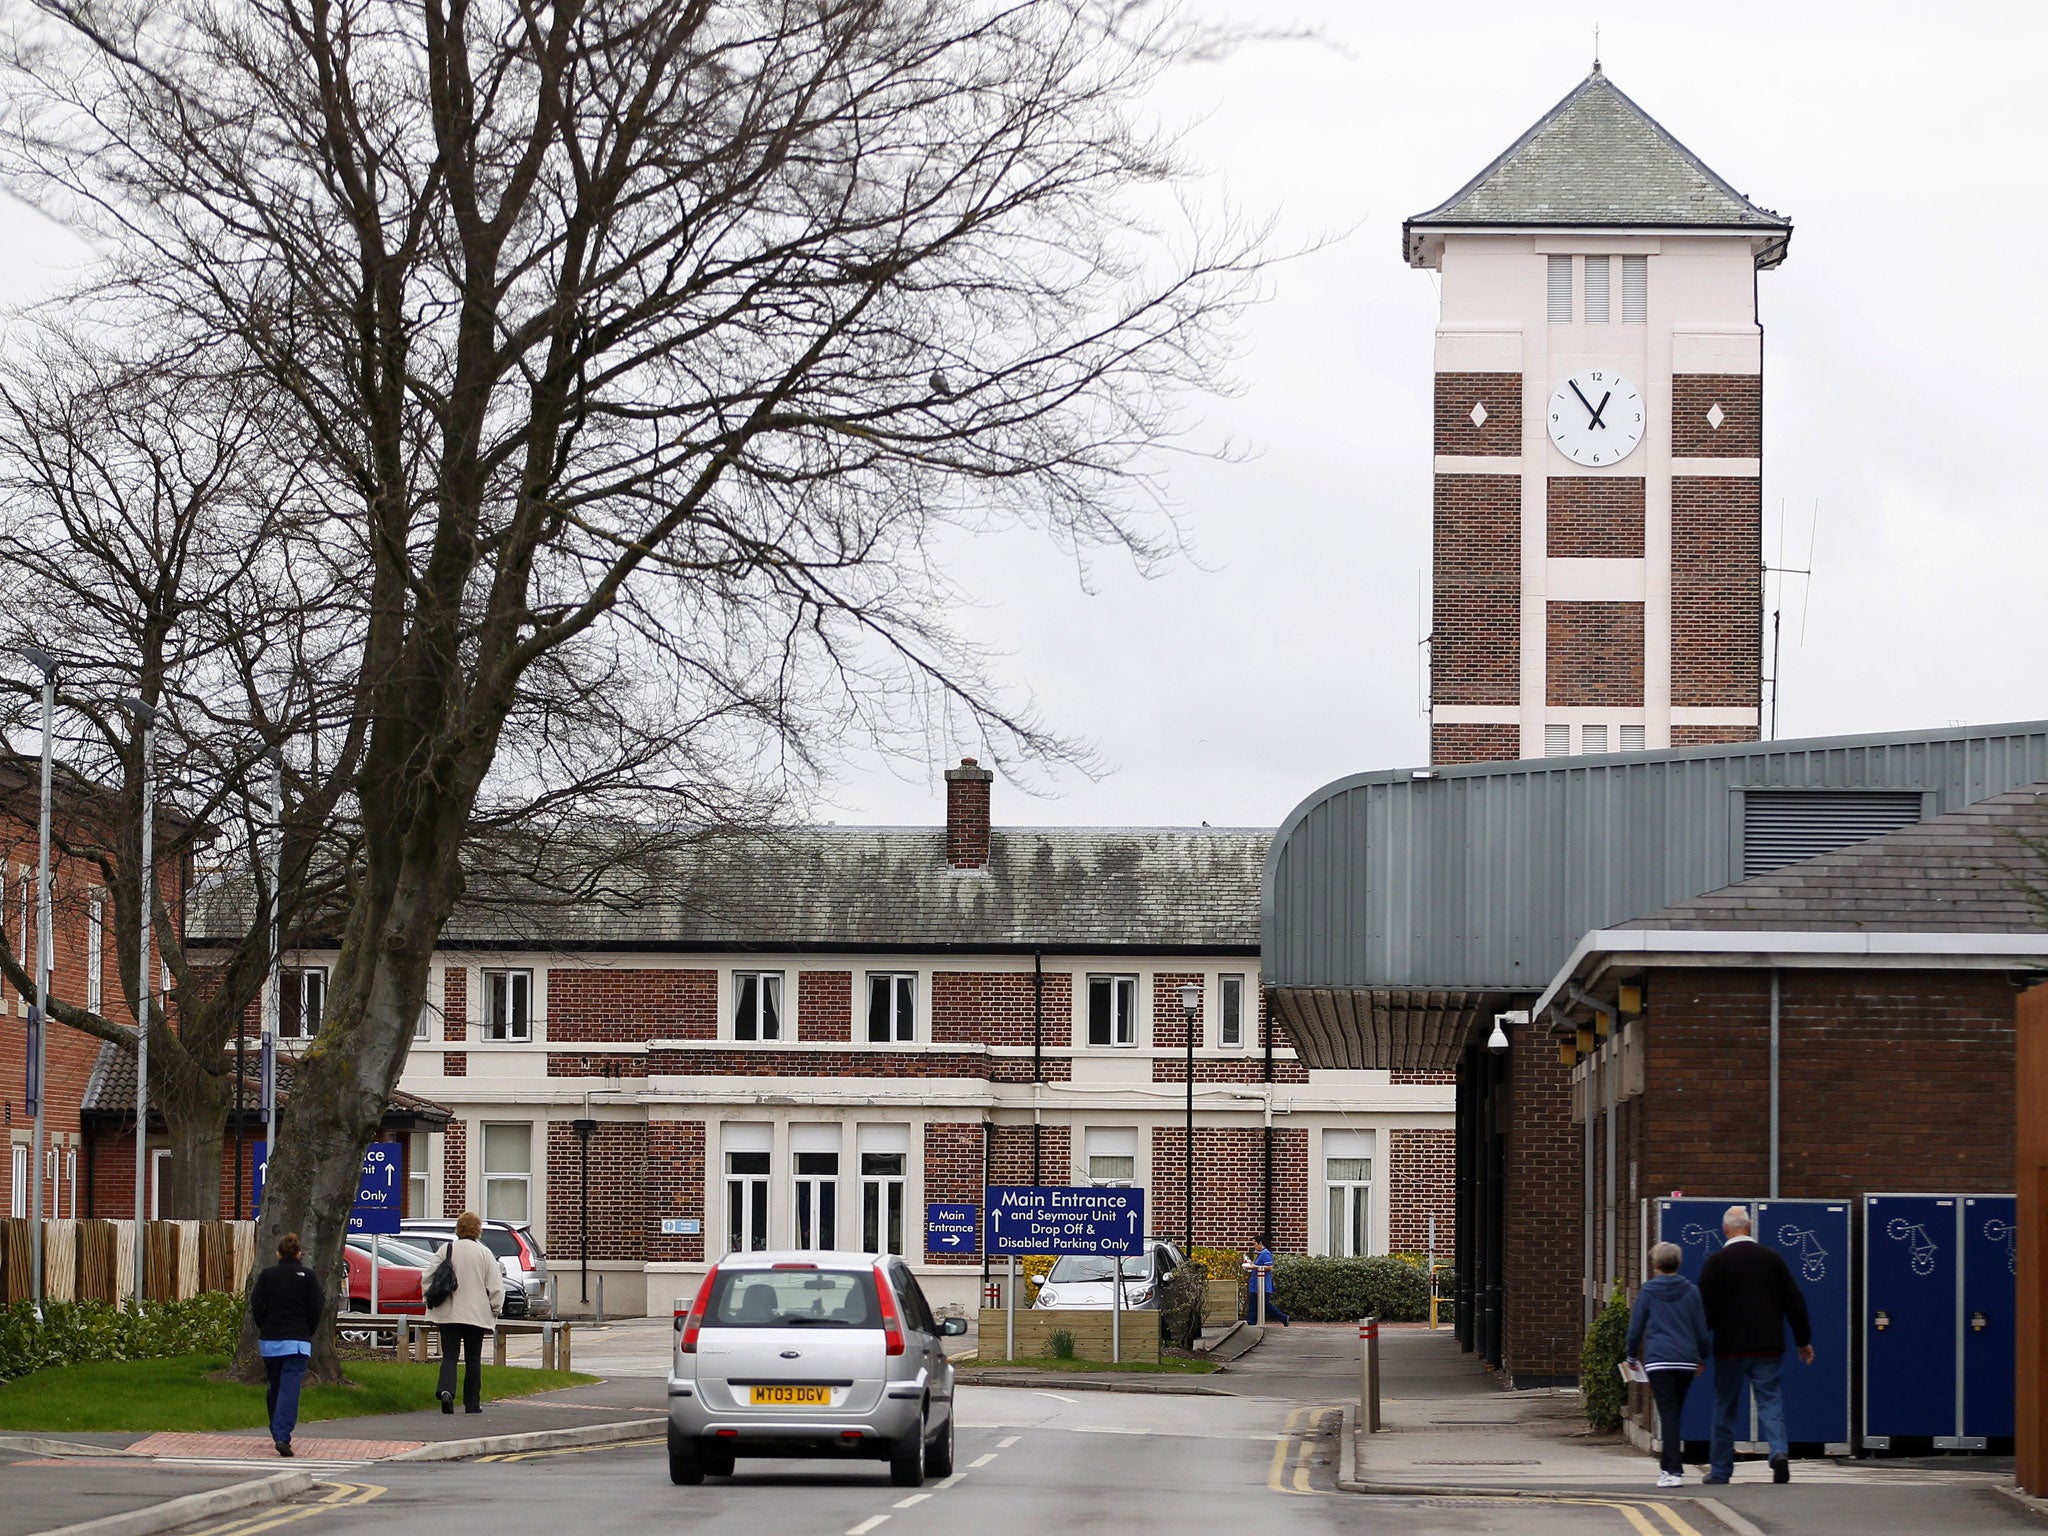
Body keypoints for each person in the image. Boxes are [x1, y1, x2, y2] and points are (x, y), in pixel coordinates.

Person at [1697, 1204, 1813, 1485]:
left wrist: (1700, 1352)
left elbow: (1704, 1311)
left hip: (1730, 1347)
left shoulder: (1717, 1262)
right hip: (1768, 1345)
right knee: (1770, 1401)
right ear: (1748, 1227)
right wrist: (1803, 1340)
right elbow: (1794, 1301)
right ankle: (1778, 1452)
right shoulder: (1771, 1258)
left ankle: (1721, 1471)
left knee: (1725, 1407)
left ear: (1726, 1229)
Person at [1626, 1241, 1711, 1488]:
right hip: (1685, 1360)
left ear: (1655, 1265)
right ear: (1679, 1263)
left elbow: (1635, 1329)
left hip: (1658, 1360)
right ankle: (1672, 1468)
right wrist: (1702, 1357)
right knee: (1674, 1413)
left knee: (1669, 1414)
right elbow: (1702, 1332)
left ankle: (1672, 1471)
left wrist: (1631, 1356)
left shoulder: (1649, 1291)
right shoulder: (1692, 1291)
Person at [249, 1232, 324, 1457]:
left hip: (271, 1341)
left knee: (275, 1385)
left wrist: (265, 1326)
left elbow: (256, 1305)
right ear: (299, 1254)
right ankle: (282, 1435)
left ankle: (276, 1427)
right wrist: (307, 1330)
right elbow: (316, 1308)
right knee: (290, 1388)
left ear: (278, 1253)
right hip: (297, 1341)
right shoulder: (308, 1277)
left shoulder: (267, 1276)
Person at [425, 1211, 506, 1414]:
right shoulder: (484, 1253)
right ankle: (472, 1403)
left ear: (458, 1228)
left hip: (449, 1314)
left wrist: (429, 1298)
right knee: (473, 1359)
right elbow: (495, 1286)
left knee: (450, 1356)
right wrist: (496, 1308)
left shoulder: (447, 1249)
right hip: (476, 1315)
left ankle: (446, 1391)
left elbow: (427, 1277)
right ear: (478, 1230)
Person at [1244, 1235, 1289, 1327]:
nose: (1254, 1246)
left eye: (1255, 1244)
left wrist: (1254, 1266)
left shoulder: (1265, 1254)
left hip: (1261, 1285)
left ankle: (1252, 1323)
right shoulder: (1261, 1254)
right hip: (1257, 1284)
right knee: (1260, 1304)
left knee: (1260, 1305)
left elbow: (1269, 1267)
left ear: (1260, 1243)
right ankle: (1282, 1318)